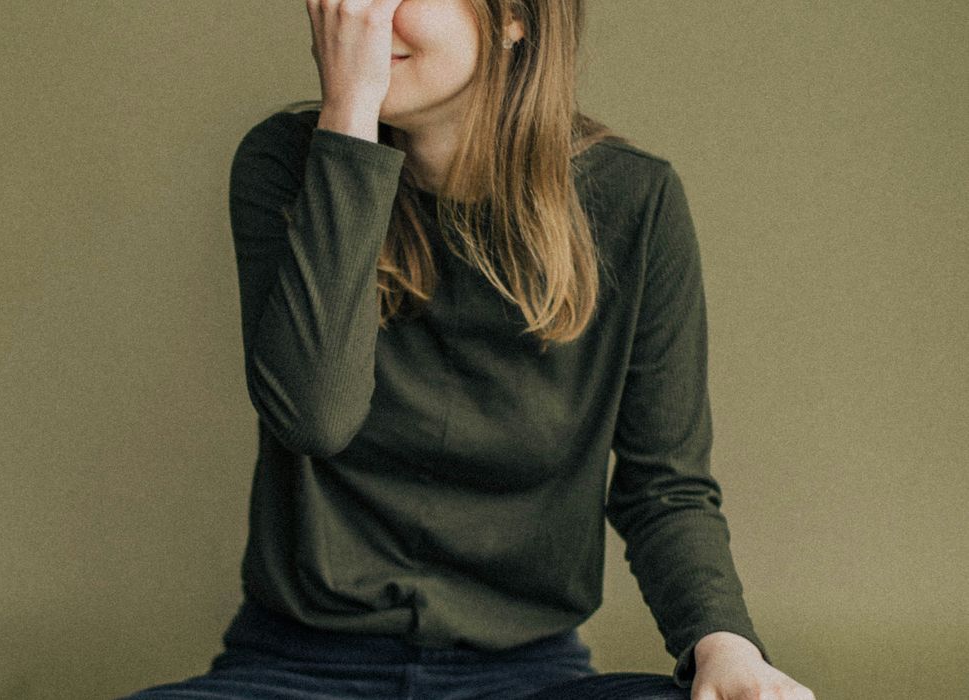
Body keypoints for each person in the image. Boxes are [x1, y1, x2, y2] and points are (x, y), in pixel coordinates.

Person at [119, 1, 815, 698]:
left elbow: (664, 488)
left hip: (525, 678)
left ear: (514, 17)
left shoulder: (636, 200)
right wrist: (350, 115)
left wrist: (726, 649)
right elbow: (313, 416)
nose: (360, 15)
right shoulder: (286, 162)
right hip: (295, 671)